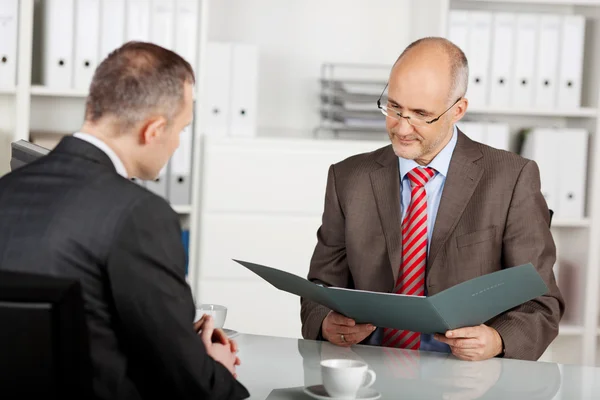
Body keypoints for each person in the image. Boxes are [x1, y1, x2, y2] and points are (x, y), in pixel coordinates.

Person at [0, 42, 249, 399]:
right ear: (153, 130)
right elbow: (193, 386)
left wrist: (175, 334)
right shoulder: (141, 214)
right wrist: (217, 367)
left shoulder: (8, 188)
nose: (178, 144)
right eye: (180, 130)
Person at [300, 37, 564, 362]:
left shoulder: (510, 179)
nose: (401, 127)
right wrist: (327, 323)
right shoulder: (348, 178)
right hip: (367, 370)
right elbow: (320, 287)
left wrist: (497, 339)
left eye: (421, 114)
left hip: (467, 378)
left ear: (457, 111)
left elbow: (542, 302)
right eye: (394, 107)